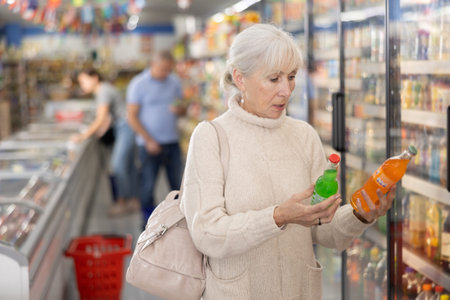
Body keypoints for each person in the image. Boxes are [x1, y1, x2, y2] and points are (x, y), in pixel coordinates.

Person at [180, 24, 395, 299]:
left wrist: (361, 213)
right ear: (240, 78)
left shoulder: (303, 136)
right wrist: (278, 217)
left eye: (291, 77)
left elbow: (323, 229)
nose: (286, 90)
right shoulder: (211, 138)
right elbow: (207, 232)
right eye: (273, 79)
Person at [127, 50, 185, 223]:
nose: (166, 73)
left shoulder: (174, 82)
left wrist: (179, 109)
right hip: (148, 145)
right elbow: (131, 116)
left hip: (172, 143)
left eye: (169, 69)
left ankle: (177, 224)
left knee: (178, 187)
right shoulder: (138, 84)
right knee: (147, 188)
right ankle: (148, 224)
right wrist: (149, 140)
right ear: (152, 64)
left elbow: (182, 107)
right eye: (162, 69)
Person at [71, 68, 139, 216]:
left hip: (125, 127)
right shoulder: (103, 90)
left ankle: (122, 203)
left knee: (118, 165)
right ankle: (134, 200)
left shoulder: (103, 91)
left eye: (83, 81)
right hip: (123, 127)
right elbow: (108, 116)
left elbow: (101, 117)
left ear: (94, 78)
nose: (82, 85)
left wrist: (83, 136)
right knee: (128, 165)